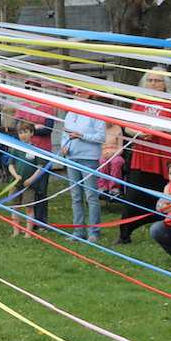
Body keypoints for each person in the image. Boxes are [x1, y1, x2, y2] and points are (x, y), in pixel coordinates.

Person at [116, 68, 171, 244]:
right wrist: (140, 133)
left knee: (169, 195)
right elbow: (127, 126)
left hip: (166, 160)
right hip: (143, 158)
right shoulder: (140, 101)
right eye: (150, 80)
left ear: (166, 84)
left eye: (157, 81)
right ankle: (124, 234)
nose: (153, 84)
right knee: (133, 196)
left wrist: (159, 130)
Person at [61, 89, 106, 243]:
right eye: (75, 93)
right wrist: (63, 146)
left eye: (80, 92)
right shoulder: (70, 113)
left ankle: (94, 232)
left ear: (89, 94)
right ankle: (78, 231)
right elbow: (64, 134)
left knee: (91, 196)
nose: (77, 95)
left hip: (89, 158)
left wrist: (82, 136)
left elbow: (101, 137)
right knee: (76, 196)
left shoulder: (95, 113)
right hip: (71, 158)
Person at [13, 79, 56, 224]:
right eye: (29, 88)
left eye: (35, 88)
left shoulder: (48, 107)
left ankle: (41, 221)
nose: (32, 90)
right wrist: (34, 127)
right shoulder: (22, 106)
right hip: (24, 153)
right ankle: (28, 221)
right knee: (25, 186)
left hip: (42, 151)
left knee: (41, 188)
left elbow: (47, 130)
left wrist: (29, 129)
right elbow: (17, 127)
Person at [7, 122, 45, 238]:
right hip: (16, 184)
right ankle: (16, 231)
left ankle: (28, 232)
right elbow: (10, 165)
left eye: (25, 132)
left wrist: (31, 179)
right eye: (20, 133)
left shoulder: (35, 150)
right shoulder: (16, 148)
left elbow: (40, 168)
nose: (22, 135)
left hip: (30, 185)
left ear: (32, 133)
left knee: (29, 207)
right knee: (15, 207)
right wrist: (15, 175)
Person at [97, 122, 125, 199]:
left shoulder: (117, 128)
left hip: (116, 154)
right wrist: (104, 154)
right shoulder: (98, 128)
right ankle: (103, 187)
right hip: (103, 154)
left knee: (117, 162)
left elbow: (121, 148)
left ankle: (114, 188)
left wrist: (113, 154)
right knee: (102, 161)